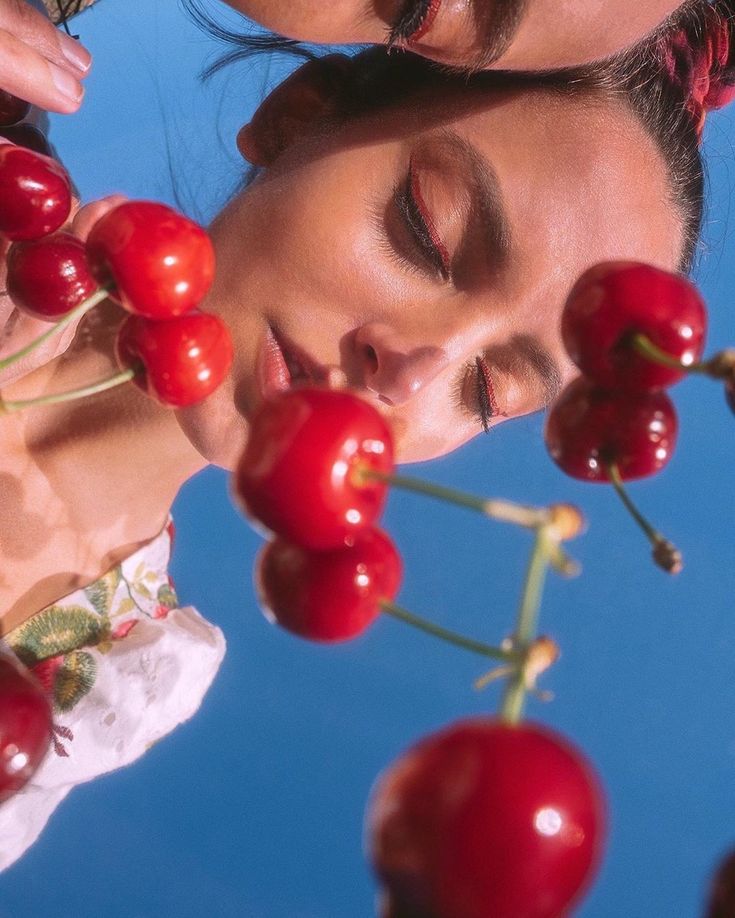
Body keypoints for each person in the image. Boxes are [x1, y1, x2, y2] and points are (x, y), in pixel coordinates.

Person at [0, 0, 727, 871]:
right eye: (425, 233)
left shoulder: (115, 685)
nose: (409, 372)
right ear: (295, 118)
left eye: (485, 389)